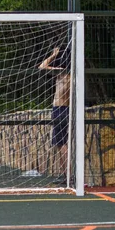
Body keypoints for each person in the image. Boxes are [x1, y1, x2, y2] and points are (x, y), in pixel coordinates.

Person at [39, 45, 71, 185]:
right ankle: (67, 175)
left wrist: (53, 54)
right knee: (62, 143)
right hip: (68, 110)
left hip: (60, 109)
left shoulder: (62, 73)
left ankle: (68, 175)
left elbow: (42, 67)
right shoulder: (74, 75)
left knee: (61, 143)